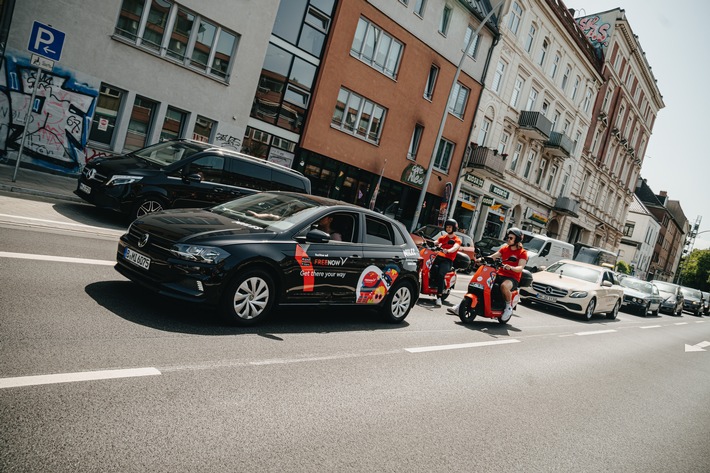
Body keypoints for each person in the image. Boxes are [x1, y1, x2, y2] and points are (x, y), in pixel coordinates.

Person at [447, 227, 528, 317]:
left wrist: (511, 267)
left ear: (517, 239)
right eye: (508, 237)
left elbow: (520, 267)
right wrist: (481, 259)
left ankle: (508, 307)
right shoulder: (505, 248)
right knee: (481, 284)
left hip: (512, 277)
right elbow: (493, 256)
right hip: (499, 274)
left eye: (511, 238)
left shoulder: (522, 252)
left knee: (504, 286)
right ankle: (461, 306)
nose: (508, 239)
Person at [430, 218, 462, 307]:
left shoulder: (457, 239)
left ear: (454, 228)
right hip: (438, 257)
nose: (448, 229)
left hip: (447, 260)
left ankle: (439, 297)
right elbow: (436, 242)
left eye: (450, 227)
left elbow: (455, 247)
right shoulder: (443, 237)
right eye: (447, 227)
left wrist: (448, 251)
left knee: (441, 274)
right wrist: (428, 243)